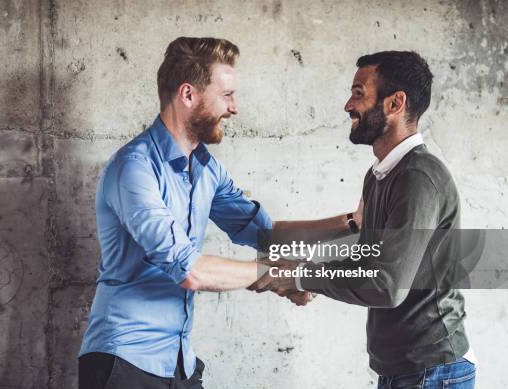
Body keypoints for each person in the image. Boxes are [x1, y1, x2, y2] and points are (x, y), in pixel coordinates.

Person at [78, 36, 361, 389]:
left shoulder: (206, 169)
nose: (235, 108)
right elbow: (190, 270)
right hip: (124, 362)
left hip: (178, 363)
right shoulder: (134, 169)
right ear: (188, 95)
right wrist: (276, 276)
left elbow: (266, 235)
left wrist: (351, 222)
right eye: (227, 96)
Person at [251, 51, 477, 389]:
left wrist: (300, 277)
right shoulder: (380, 177)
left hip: (432, 371)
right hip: (405, 370)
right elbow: (371, 260)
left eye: (358, 93)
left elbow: (385, 284)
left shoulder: (419, 177)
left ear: (395, 103)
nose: (347, 105)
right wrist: (302, 273)